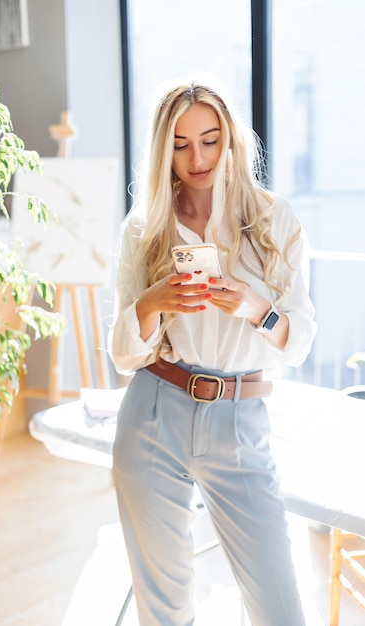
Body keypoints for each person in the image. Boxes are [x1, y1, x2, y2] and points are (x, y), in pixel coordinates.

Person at [108, 75, 316, 626]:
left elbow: (300, 342)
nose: (196, 156)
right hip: (155, 409)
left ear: (230, 139)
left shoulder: (274, 220)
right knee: (166, 610)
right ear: (162, 149)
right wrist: (152, 302)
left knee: (280, 610)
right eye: (179, 143)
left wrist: (256, 308)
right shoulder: (144, 230)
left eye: (209, 138)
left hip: (240, 419)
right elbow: (124, 355)